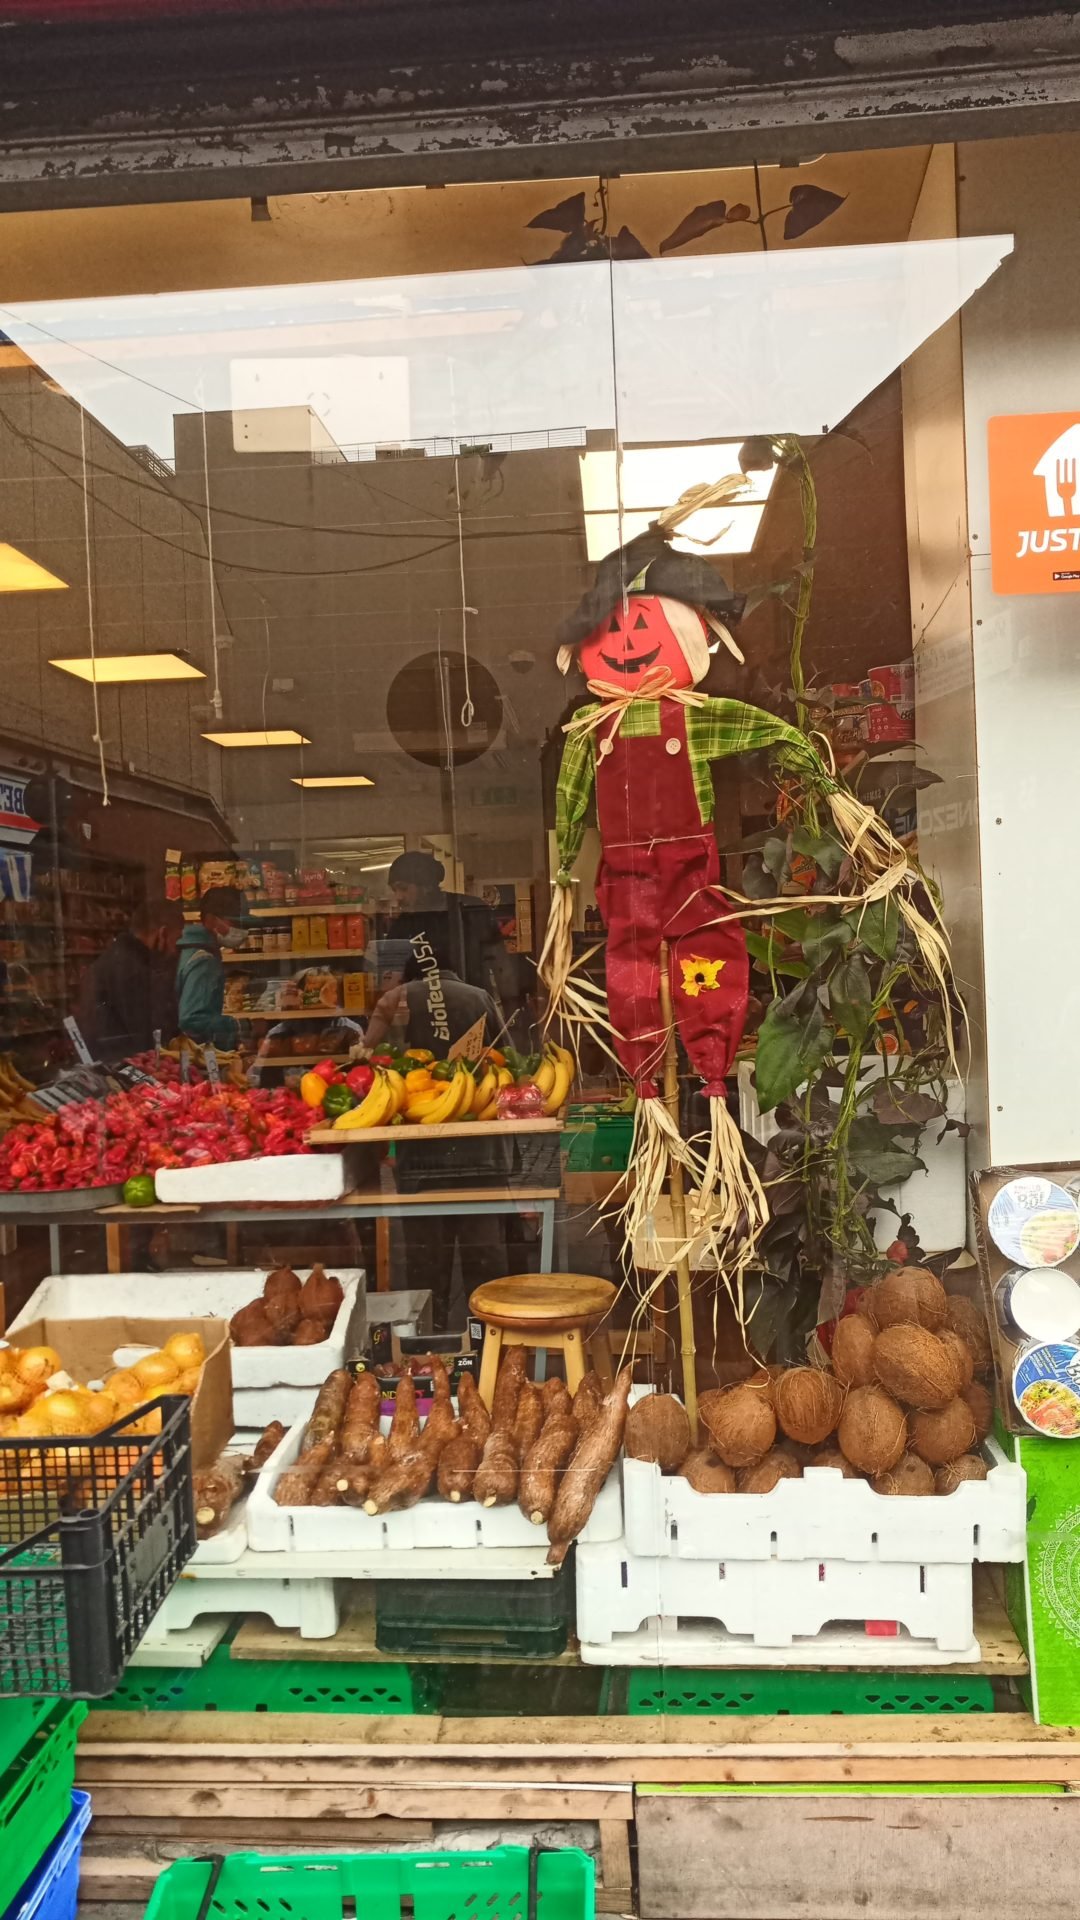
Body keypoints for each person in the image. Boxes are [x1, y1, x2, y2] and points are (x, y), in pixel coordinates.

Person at [370, 932, 508, 1332]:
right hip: (479, 1152)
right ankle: (488, 1340)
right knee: (484, 1261)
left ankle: (428, 1342)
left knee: (426, 1263)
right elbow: (507, 1061)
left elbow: (369, 1056)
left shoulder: (394, 999)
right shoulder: (478, 997)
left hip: (420, 1155)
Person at [385, 851, 514, 1005]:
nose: (398, 897)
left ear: (425, 886)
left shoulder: (470, 911)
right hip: (424, 1010)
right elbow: (391, 980)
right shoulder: (401, 926)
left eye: (403, 888)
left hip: (471, 1007)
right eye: (395, 890)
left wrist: (511, 1005)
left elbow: (500, 965)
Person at [76, 897, 184, 1061]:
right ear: (162, 933)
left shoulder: (115, 959)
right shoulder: (135, 971)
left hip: (107, 1063)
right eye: (176, 941)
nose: (175, 951)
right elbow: (146, 1037)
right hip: (124, 1065)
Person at [175, 885, 248, 1049]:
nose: (240, 929)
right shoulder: (204, 960)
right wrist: (240, 1025)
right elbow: (192, 1021)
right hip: (195, 1051)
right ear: (211, 919)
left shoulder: (187, 947)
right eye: (235, 921)